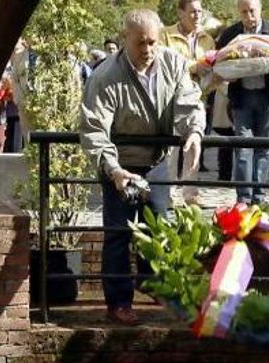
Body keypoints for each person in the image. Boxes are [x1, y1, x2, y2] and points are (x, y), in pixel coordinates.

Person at [80, 9, 205, 325]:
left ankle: (155, 284)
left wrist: (193, 132)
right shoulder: (105, 76)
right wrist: (114, 170)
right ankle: (118, 302)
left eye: (153, 42)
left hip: (156, 161)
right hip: (119, 165)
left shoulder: (173, 63)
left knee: (160, 228)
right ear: (125, 40)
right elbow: (94, 130)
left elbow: (189, 101)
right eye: (141, 43)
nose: (148, 50)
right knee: (118, 236)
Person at [217, 0, 269, 205]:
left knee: (265, 148)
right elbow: (217, 65)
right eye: (244, 12)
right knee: (243, 149)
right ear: (239, 11)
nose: (248, 16)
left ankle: (259, 196)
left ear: (260, 9)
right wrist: (229, 72)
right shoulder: (230, 35)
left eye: (252, 11)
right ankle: (244, 198)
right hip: (242, 98)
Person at [159, 0, 216, 206]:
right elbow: (163, 63)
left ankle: (190, 193)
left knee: (195, 145)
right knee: (172, 148)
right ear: (180, 13)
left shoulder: (207, 39)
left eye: (200, 11)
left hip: (197, 99)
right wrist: (194, 66)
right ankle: (169, 193)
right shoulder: (164, 34)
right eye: (192, 12)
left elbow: (210, 68)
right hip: (170, 100)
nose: (197, 16)